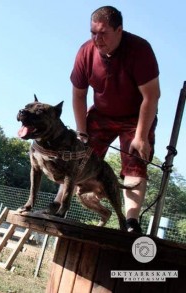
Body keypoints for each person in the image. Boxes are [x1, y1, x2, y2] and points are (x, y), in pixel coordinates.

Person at [69, 6, 160, 233]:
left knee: (135, 162)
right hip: (101, 113)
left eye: (103, 33)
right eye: (93, 33)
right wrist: (82, 133)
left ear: (119, 30)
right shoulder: (85, 52)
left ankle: (131, 222)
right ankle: (60, 205)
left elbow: (151, 96)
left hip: (135, 115)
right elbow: (79, 96)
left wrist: (141, 137)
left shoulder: (140, 49)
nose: (97, 39)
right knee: (79, 158)